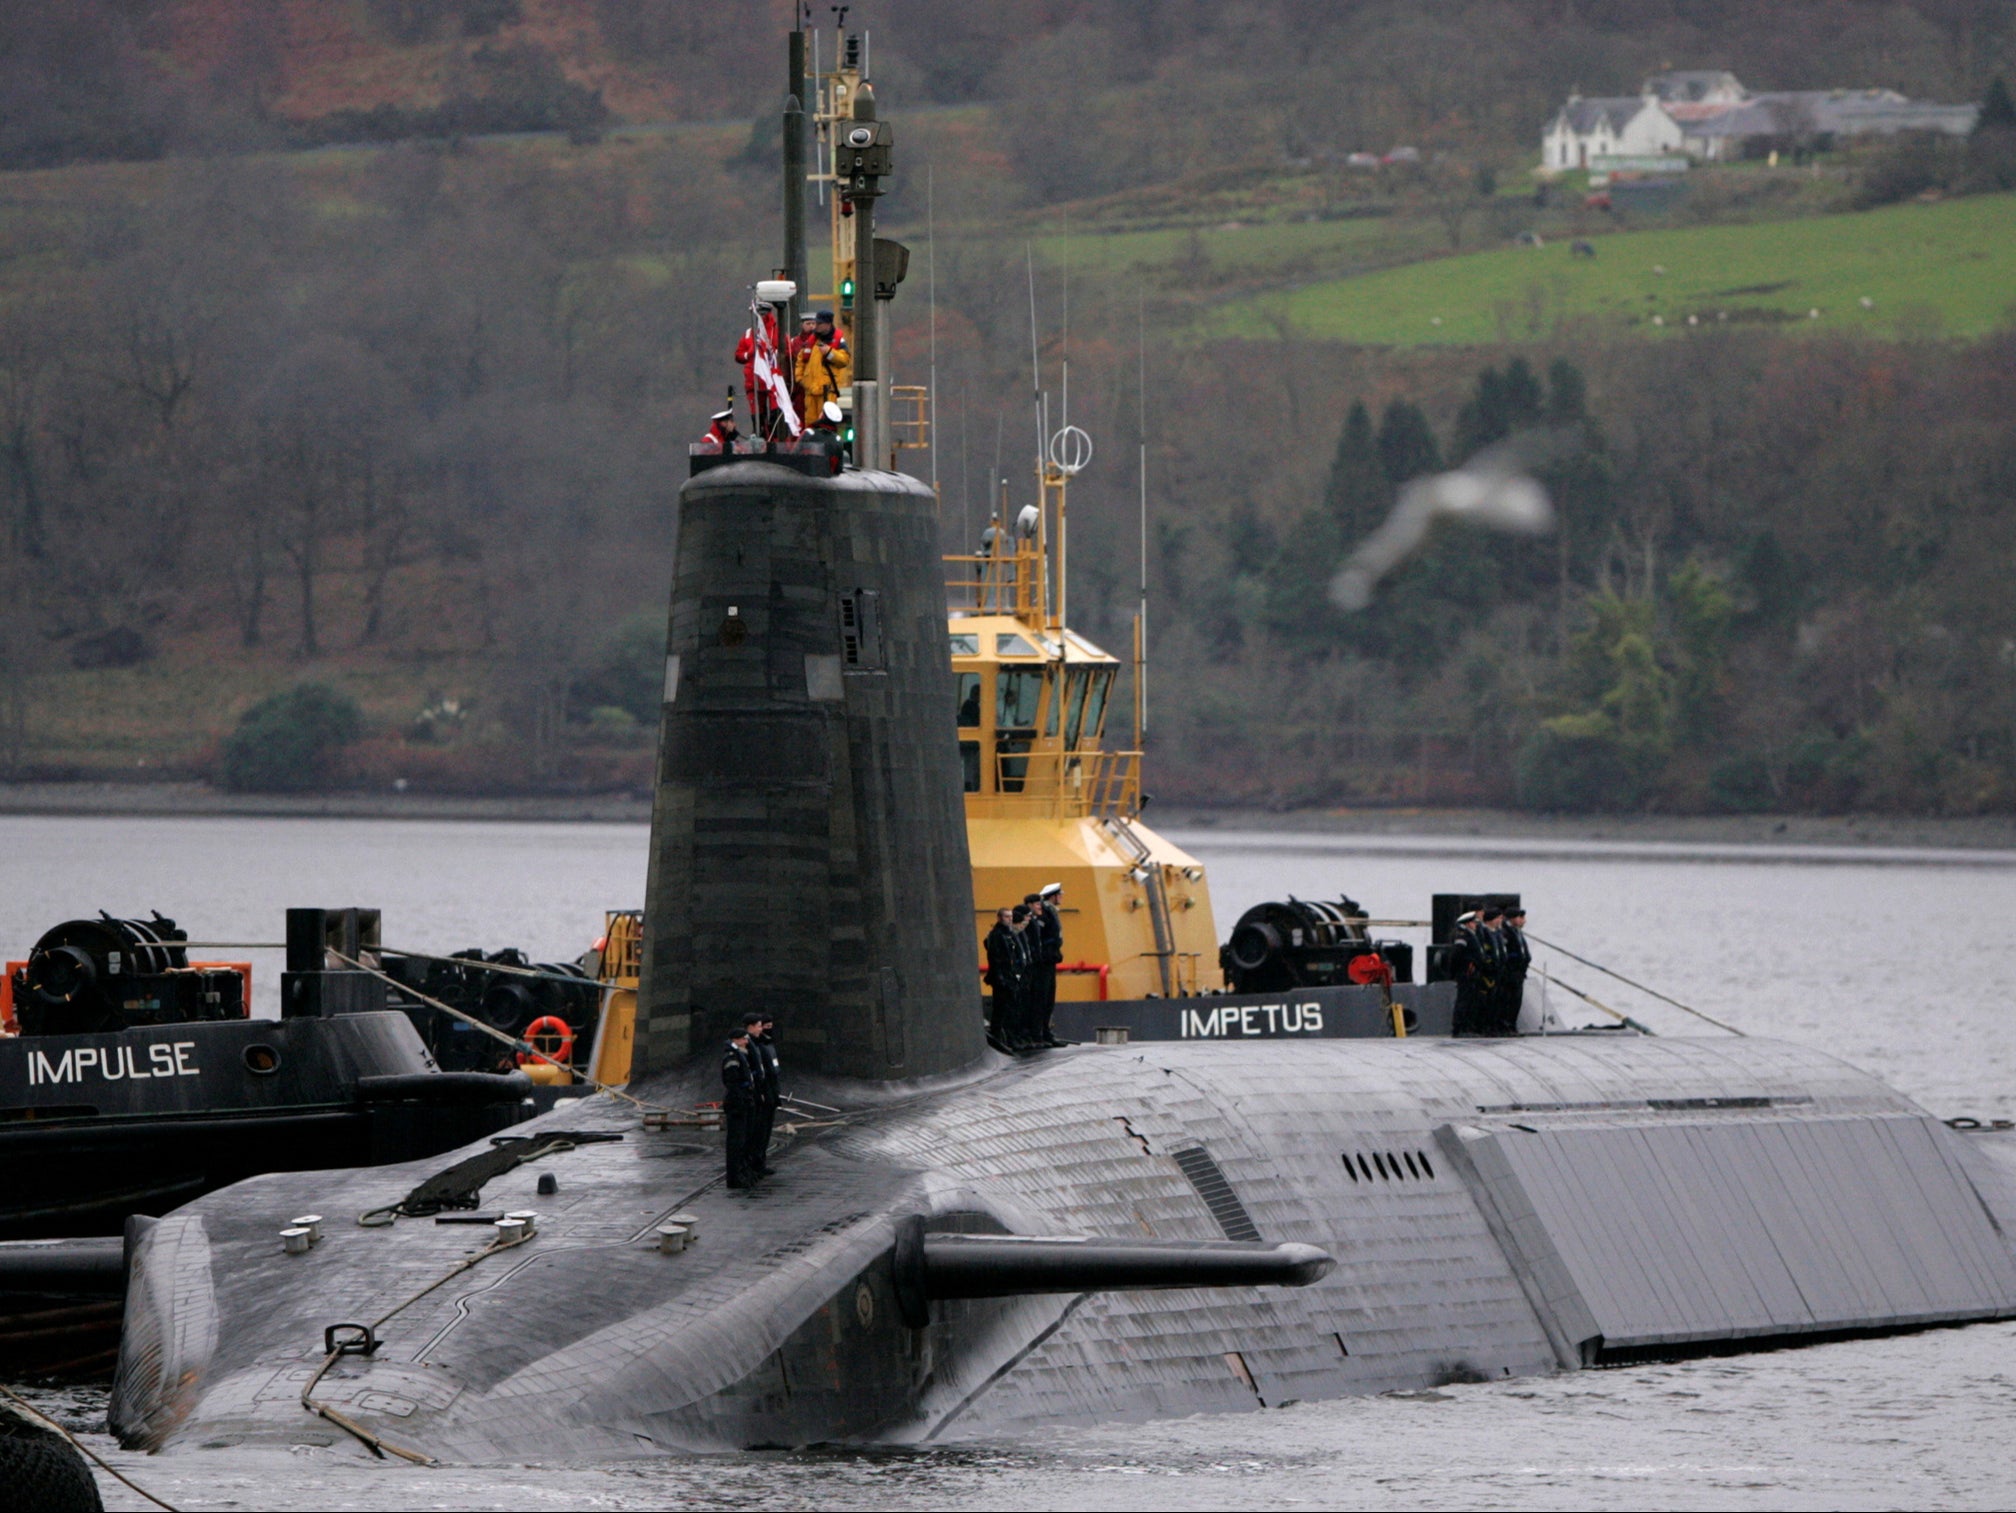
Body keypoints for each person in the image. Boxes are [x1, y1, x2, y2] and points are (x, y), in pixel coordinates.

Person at [721, 1015, 764, 1188]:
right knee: (736, 1142)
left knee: (744, 1140)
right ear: (736, 1040)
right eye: (744, 1039)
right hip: (737, 1104)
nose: (747, 1042)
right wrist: (743, 1098)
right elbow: (732, 1082)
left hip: (744, 1102)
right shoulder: (732, 1057)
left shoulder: (740, 1055)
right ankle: (734, 1177)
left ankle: (742, 1172)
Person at [794, 309, 851, 432]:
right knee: (810, 426)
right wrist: (800, 378)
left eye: (819, 324)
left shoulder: (837, 341)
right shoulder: (811, 341)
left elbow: (844, 360)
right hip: (810, 392)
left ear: (828, 324)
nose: (816, 327)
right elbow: (800, 359)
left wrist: (829, 353)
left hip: (827, 392)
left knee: (826, 425)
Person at [1026, 882, 1065, 1048]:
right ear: (1053, 896)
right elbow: (1041, 937)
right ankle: (1038, 1034)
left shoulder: (1050, 912)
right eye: (1060, 894)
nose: (1062, 897)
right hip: (1043, 962)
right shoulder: (1045, 913)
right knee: (1041, 999)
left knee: (1048, 999)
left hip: (1049, 960)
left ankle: (1044, 1032)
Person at [1449, 909, 1498, 1037]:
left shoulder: (1472, 935)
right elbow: (1456, 955)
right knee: (1463, 1000)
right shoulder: (1463, 936)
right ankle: (1460, 1028)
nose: (1475, 924)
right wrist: (1464, 967)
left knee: (1471, 1001)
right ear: (1467, 923)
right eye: (1473, 922)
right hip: (1466, 973)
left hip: (1474, 973)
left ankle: (1468, 1027)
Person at [983, 906, 1025, 1053]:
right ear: (1000, 918)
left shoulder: (1009, 934)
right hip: (1001, 979)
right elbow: (995, 958)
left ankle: (1010, 1039)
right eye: (1007, 916)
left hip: (1010, 977)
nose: (1010, 919)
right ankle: (998, 1037)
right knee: (1001, 1010)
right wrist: (1001, 978)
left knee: (1011, 1009)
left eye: (1011, 916)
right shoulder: (997, 935)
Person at [749, 1014, 782, 1176]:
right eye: (764, 1026)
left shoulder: (769, 1045)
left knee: (765, 1131)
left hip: (771, 1093)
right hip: (763, 1094)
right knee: (759, 1131)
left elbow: (774, 1072)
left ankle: (760, 1161)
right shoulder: (758, 1047)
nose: (767, 1030)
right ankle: (755, 1163)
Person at [1495, 905, 1531, 1034]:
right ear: (1512, 919)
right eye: (1519, 917)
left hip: (1518, 973)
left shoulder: (1517, 932)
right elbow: (1506, 953)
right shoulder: (1505, 932)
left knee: (1516, 1001)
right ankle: (1505, 1025)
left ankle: (1511, 1025)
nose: (1523, 920)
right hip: (1510, 973)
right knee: (1508, 1001)